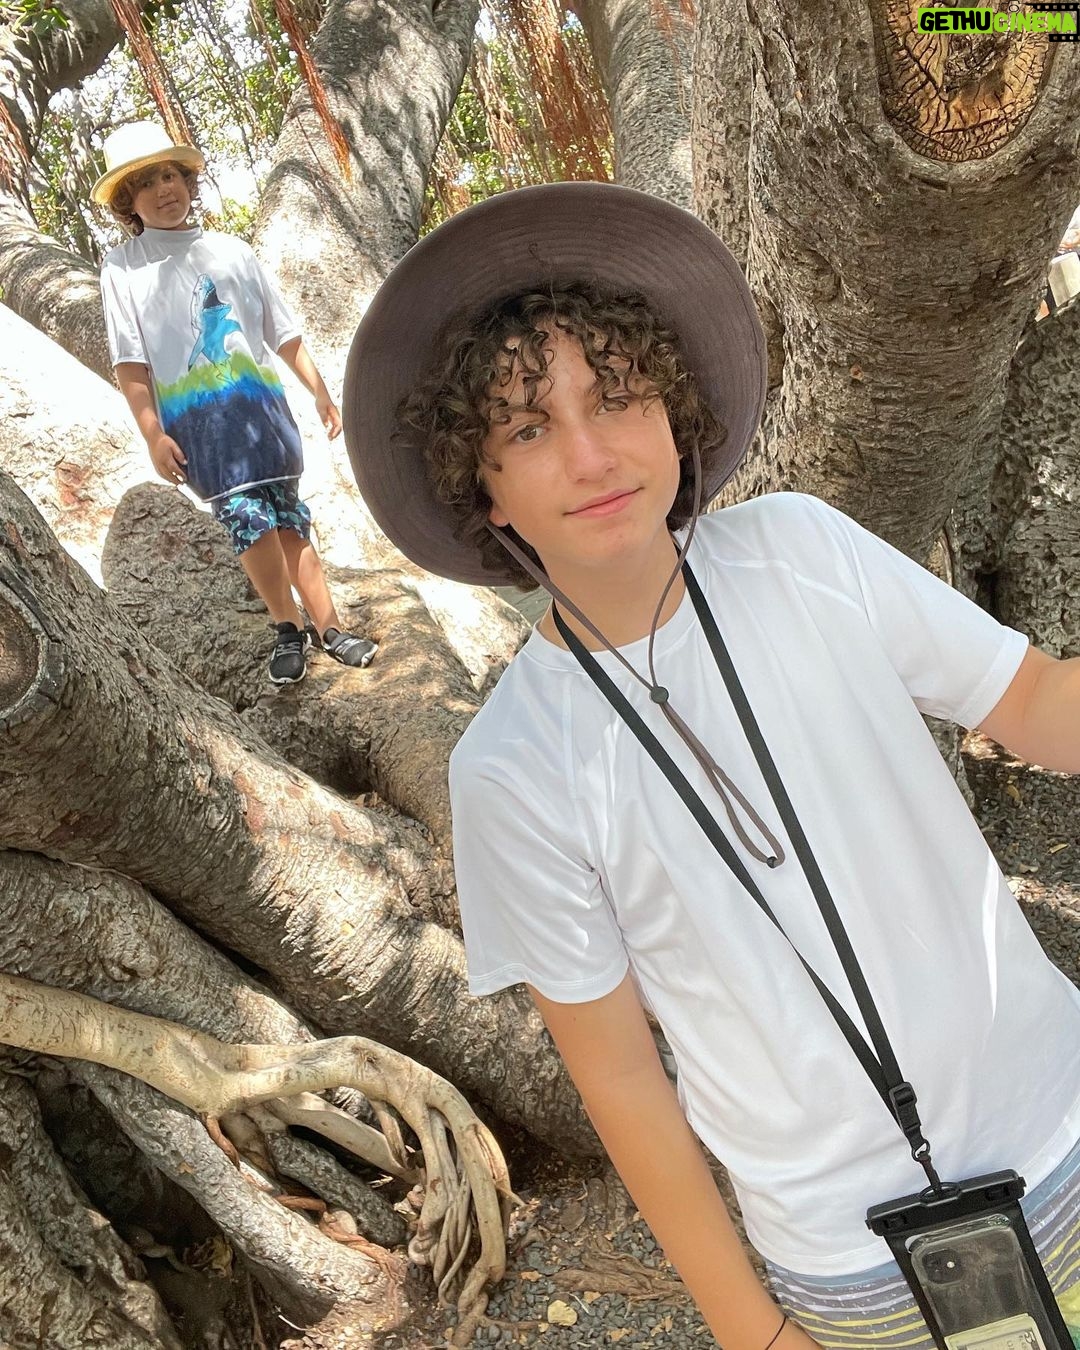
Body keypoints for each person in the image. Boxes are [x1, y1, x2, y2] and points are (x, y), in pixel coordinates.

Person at [341, 182, 1080, 1349]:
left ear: (673, 409)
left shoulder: (802, 551)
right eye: (528, 430)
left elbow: (1036, 704)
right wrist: (751, 1329)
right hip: (858, 1260)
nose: (591, 454)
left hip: (1065, 1118)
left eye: (616, 397)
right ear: (481, 487)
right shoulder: (513, 769)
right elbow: (623, 1081)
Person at [92, 121, 377, 684]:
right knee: (248, 522)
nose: (164, 189)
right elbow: (130, 363)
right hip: (202, 428)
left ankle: (331, 629)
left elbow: (282, 333)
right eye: (146, 183)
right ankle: (287, 627)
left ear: (188, 181)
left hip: (263, 415)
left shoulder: (232, 251)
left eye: (170, 175)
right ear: (128, 201)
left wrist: (319, 390)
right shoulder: (123, 268)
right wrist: (153, 434)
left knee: (290, 520)